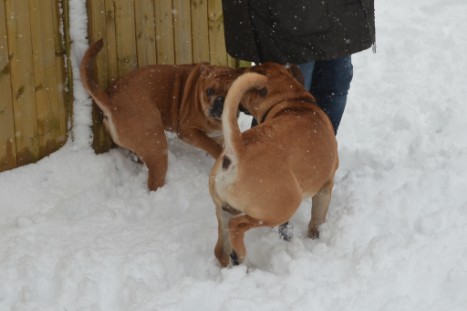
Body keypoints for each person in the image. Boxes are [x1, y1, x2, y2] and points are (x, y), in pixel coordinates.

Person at [221, 0, 376, 134]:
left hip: (337, 12)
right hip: (286, 14)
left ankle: (316, 155)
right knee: (288, 97)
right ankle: (268, 161)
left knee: (334, 83)